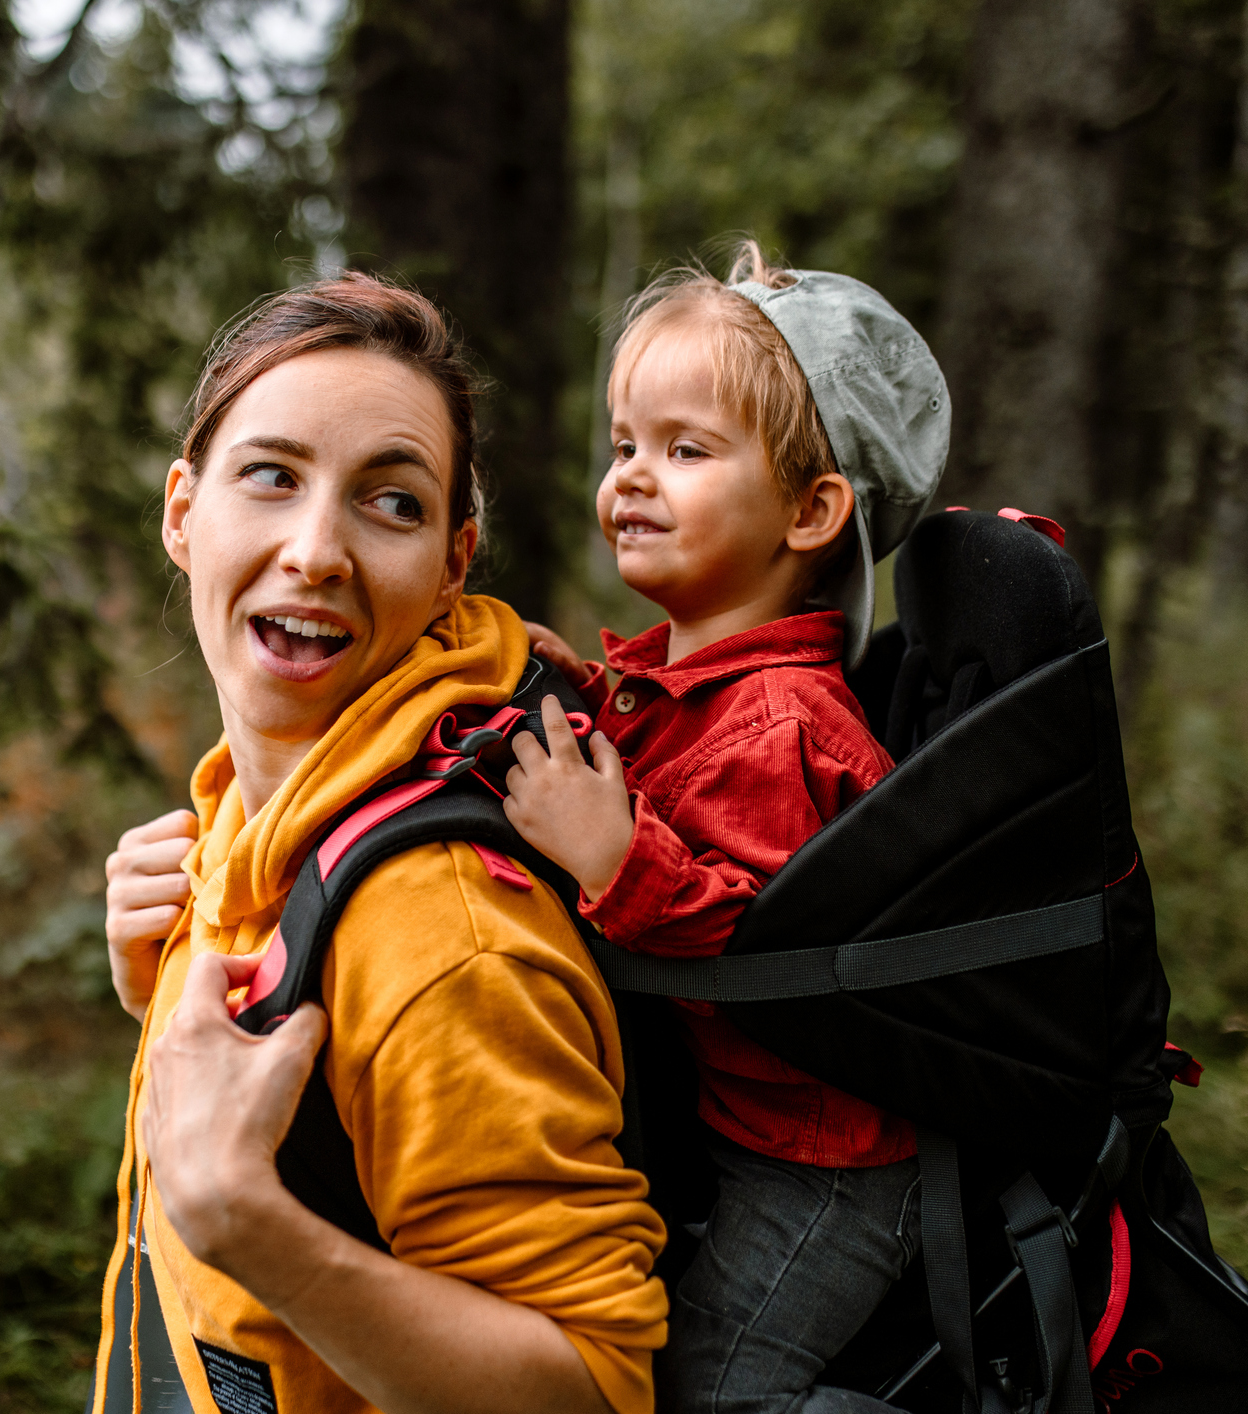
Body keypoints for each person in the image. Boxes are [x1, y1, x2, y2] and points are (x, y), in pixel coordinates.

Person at [94, 272, 667, 1414]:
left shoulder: (443, 935)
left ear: (452, 564)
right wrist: (153, 979)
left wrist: (244, 1222)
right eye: (270, 475)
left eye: (390, 503)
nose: (314, 550)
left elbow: (591, 1388)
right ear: (180, 511)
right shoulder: (253, 812)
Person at [499, 244, 949, 1414]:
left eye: (685, 451)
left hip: (828, 1168)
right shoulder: (693, 680)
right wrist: (579, 696)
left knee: (713, 1389)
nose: (633, 478)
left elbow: (760, 939)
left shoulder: (784, 727)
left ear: (808, 511)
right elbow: (668, 765)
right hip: (743, 1126)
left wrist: (607, 852)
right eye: (624, 444)